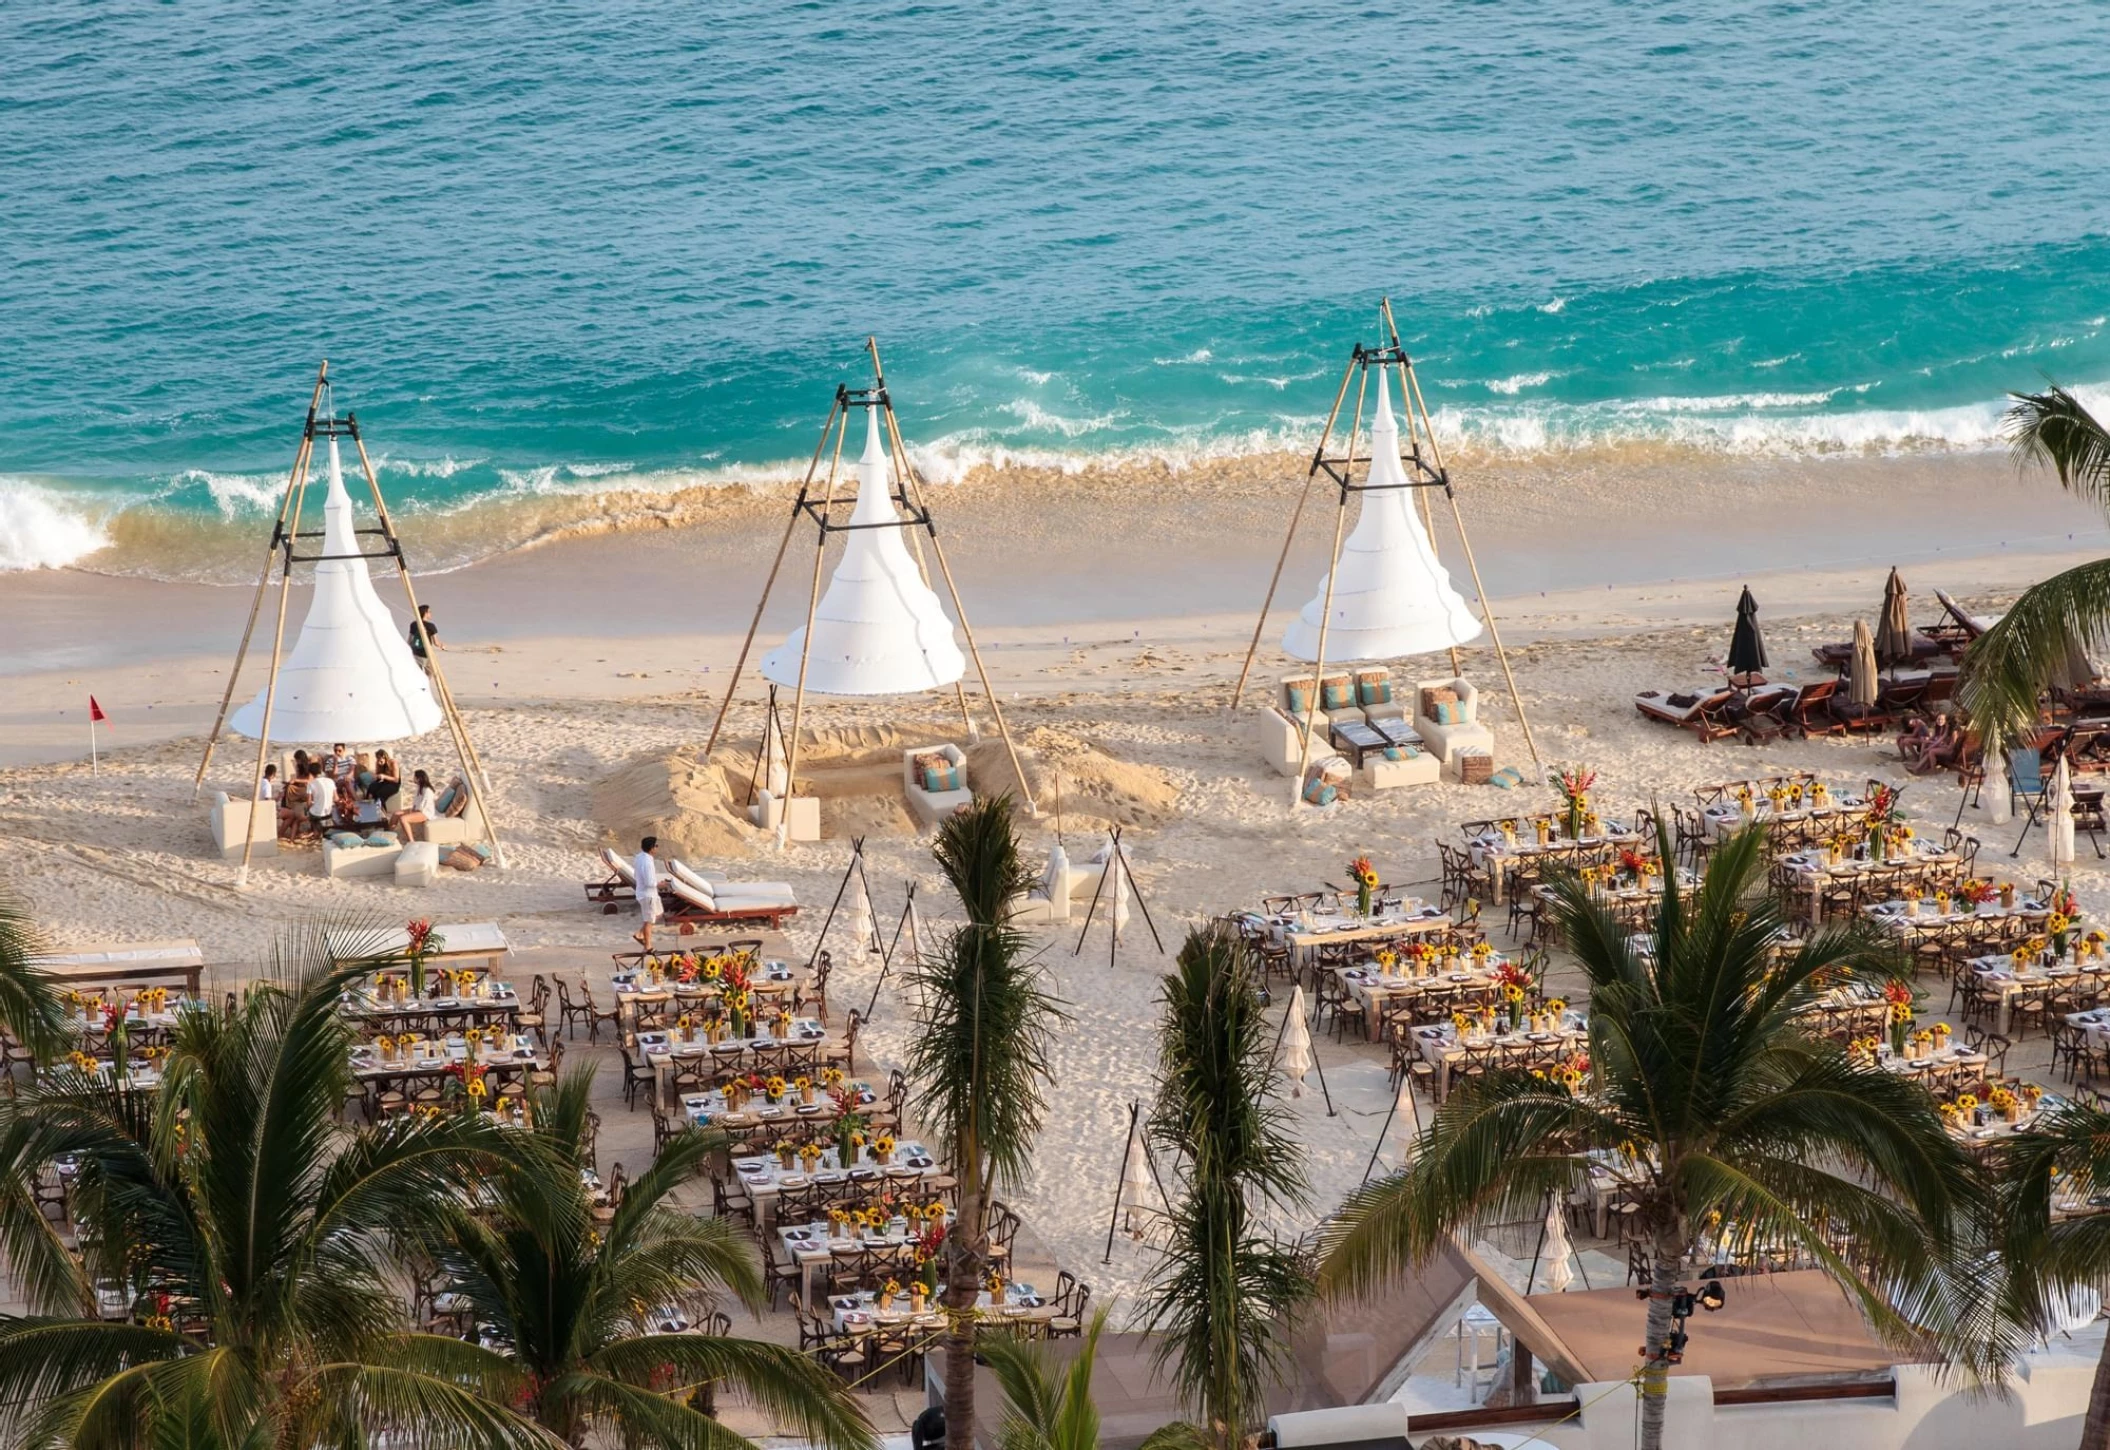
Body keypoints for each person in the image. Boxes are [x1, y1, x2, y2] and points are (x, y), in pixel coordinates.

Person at [633, 835, 663, 949]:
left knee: (658, 914)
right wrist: (662, 884)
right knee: (649, 920)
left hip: (647, 894)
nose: (657, 848)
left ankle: (640, 934)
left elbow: (636, 875)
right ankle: (648, 946)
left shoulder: (639, 857)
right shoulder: (647, 862)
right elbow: (649, 882)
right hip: (647, 895)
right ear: (651, 848)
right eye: (656, 846)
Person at [391, 769, 437, 842]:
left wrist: (413, 811)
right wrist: (412, 809)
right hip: (416, 809)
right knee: (396, 814)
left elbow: (424, 806)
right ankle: (390, 833)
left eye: (414, 777)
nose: (413, 779)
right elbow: (416, 802)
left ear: (419, 779)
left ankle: (411, 840)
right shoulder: (419, 787)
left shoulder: (428, 791)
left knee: (403, 819)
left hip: (425, 813)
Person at [305, 763, 338, 834]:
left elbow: (308, 803)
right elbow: (336, 798)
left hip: (317, 815)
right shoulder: (330, 781)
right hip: (328, 813)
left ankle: (314, 831)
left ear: (311, 773)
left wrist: (308, 808)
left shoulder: (310, 784)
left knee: (309, 811)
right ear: (321, 771)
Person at [409, 604, 442, 672]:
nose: (431, 614)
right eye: (429, 612)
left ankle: (422, 681)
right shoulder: (431, 626)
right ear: (425, 613)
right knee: (431, 671)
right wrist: (441, 645)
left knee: (418, 672)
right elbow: (436, 643)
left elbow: (410, 640)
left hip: (415, 652)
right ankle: (425, 681)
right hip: (426, 653)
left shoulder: (413, 624)